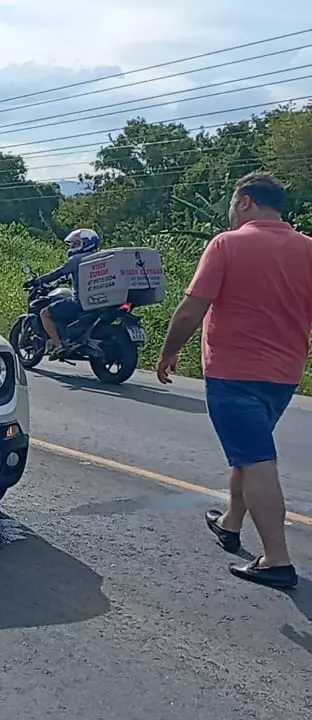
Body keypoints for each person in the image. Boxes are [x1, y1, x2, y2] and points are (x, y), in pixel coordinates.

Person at [156, 171, 312, 590]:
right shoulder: (308, 249)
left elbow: (192, 309)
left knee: (258, 460)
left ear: (244, 202)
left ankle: (277, 559)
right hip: (284, 376)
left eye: (231, 202)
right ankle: (230, 522)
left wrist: (169, 351)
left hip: (234, 373)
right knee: (247, 452)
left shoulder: (227, 243)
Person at [33, 228, 102, 356]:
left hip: (80, 302)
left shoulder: (77, 260)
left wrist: (38, 280)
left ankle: (58, 345)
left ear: (86, 244)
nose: (72, 247)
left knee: (45, 313)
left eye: (76, 243)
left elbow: (57, 273)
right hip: (98, 301)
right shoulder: (100, 258)